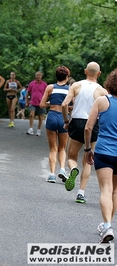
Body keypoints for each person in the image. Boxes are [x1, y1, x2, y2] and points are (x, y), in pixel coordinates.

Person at [61, 62, 108, 203]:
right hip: (93, 124)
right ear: (99, 74)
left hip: (77, 122)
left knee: (71, 157)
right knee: (88, 160)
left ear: (85, 71)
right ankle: (81, 193)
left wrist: (66, 121)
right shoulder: (102, 91)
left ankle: (73, 169)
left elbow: (64, 104)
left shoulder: (75, 85)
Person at [84, 68, 117, 243]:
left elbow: (88, 128)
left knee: (105, 189)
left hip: (104, 151)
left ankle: (107, 225)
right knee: (115, 190)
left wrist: (88, 149)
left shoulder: (102, 101)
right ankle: (107, 226)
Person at [39, 66, 70, 183]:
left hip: (52, 116)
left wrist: (50, 103)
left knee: (53, 148)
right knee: (62, 148)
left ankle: (52, 174)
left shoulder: (50, 87)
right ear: (66, 77)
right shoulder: (70, 89)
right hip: (63, 117)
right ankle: (62, 169)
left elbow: (42, 105)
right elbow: (72, 106)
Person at [26, 71, 47, 136]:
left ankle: (39, 130)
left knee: (40, 117)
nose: (38, 76)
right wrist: (28, 100)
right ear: (35, 76)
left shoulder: (44, 84)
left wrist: (45, 102)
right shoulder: (32, 83)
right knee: (31, 114)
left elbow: (47, 94)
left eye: (39, 75)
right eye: (37, 75)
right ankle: (31, 129)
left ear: (41, 76)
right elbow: (28, 93)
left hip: (41, 103)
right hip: (33, 102)